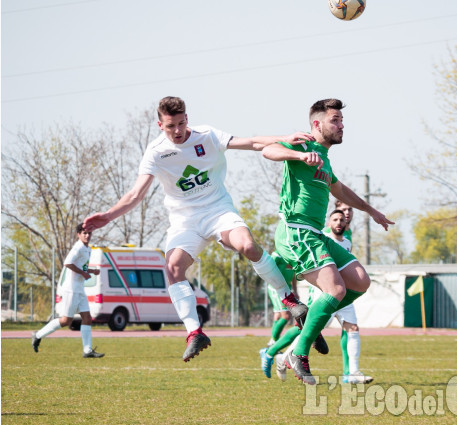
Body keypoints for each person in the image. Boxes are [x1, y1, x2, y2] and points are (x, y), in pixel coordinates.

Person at [84, 96, 312, 362]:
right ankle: (194, 332)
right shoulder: (156, 152)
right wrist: (108, 216)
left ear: (187, 119)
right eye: (171, 126)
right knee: (173, 267)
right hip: (185, 221)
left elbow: (251, 143)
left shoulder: (207, 135)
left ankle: (289, 298)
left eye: (181, 123)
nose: (177, 131)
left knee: (248, 245)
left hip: (218, 211)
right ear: (160, 125)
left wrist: (285, 137)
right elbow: (136, 194)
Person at [262, 98, 393, 384]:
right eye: (335, 120)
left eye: (342, 120)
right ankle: (299, 351)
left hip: (314, 233)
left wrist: (371, 210)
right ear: (317, 124)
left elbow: (340, 189)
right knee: (334, 290)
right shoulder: (303, 144)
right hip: (296, 231)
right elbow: (268, 150)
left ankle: (298, 340)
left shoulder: (324, 156)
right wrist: (297, 155)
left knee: (359, 281)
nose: (341, 125)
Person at [32, 224, 104, 358]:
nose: (87, 235)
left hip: (80, 289)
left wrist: (92, 271)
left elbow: (80, 267)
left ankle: (87, 351)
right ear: (79, 234)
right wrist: (83, 274)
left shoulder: (87, 249)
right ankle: (37, 335)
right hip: (71, 289)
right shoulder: (77, 247)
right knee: (66, 321)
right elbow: (67, 263)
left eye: (89, 233)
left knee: (87, 318)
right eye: (84, 233)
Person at [320, 208, 373, 384]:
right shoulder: (323, 239)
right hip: (326, 294)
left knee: (353, 329)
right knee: (310, 331)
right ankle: (281, 355)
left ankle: (353, 372)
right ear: (329, 222)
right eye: (336, 219)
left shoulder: (347, 243)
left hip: (344, 296)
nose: (340, 222)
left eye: (343, 219)